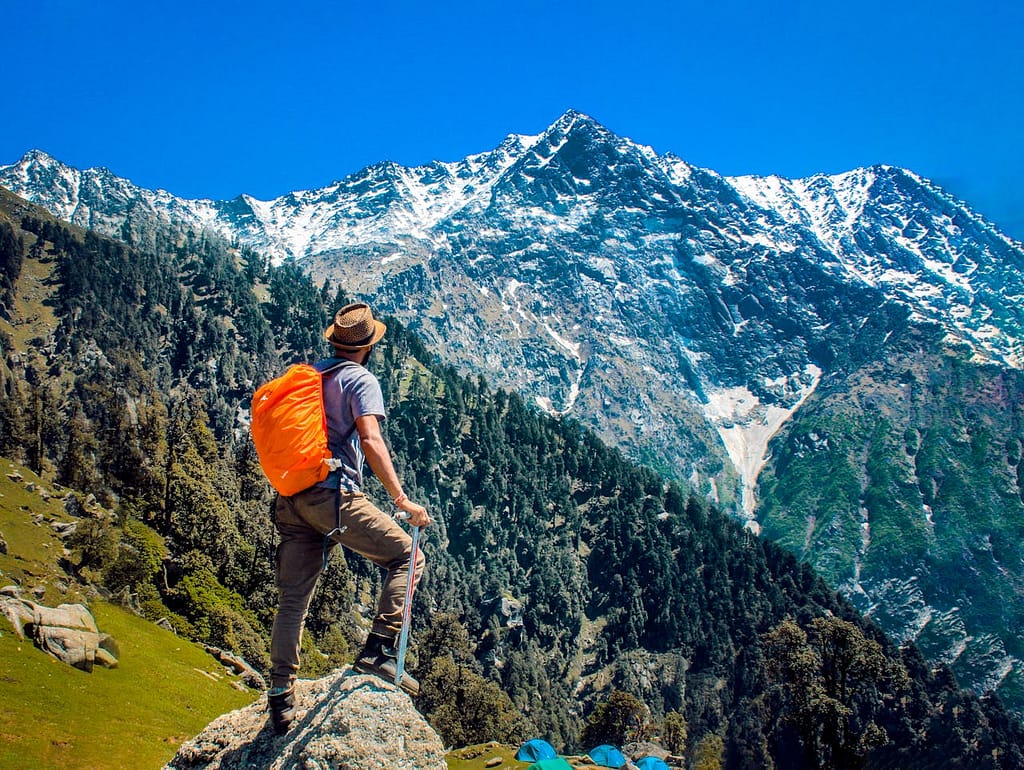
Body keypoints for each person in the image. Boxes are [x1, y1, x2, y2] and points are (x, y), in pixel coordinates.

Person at [267, 302, 430, 734]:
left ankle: (280, 695)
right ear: (368, 346)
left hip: (292, 498)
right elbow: (371, 439)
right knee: (407, 557)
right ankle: (379, 651)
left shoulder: (312, 376)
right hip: (332, 496)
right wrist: (402, 500)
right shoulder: (360, 379)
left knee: (292, 600)